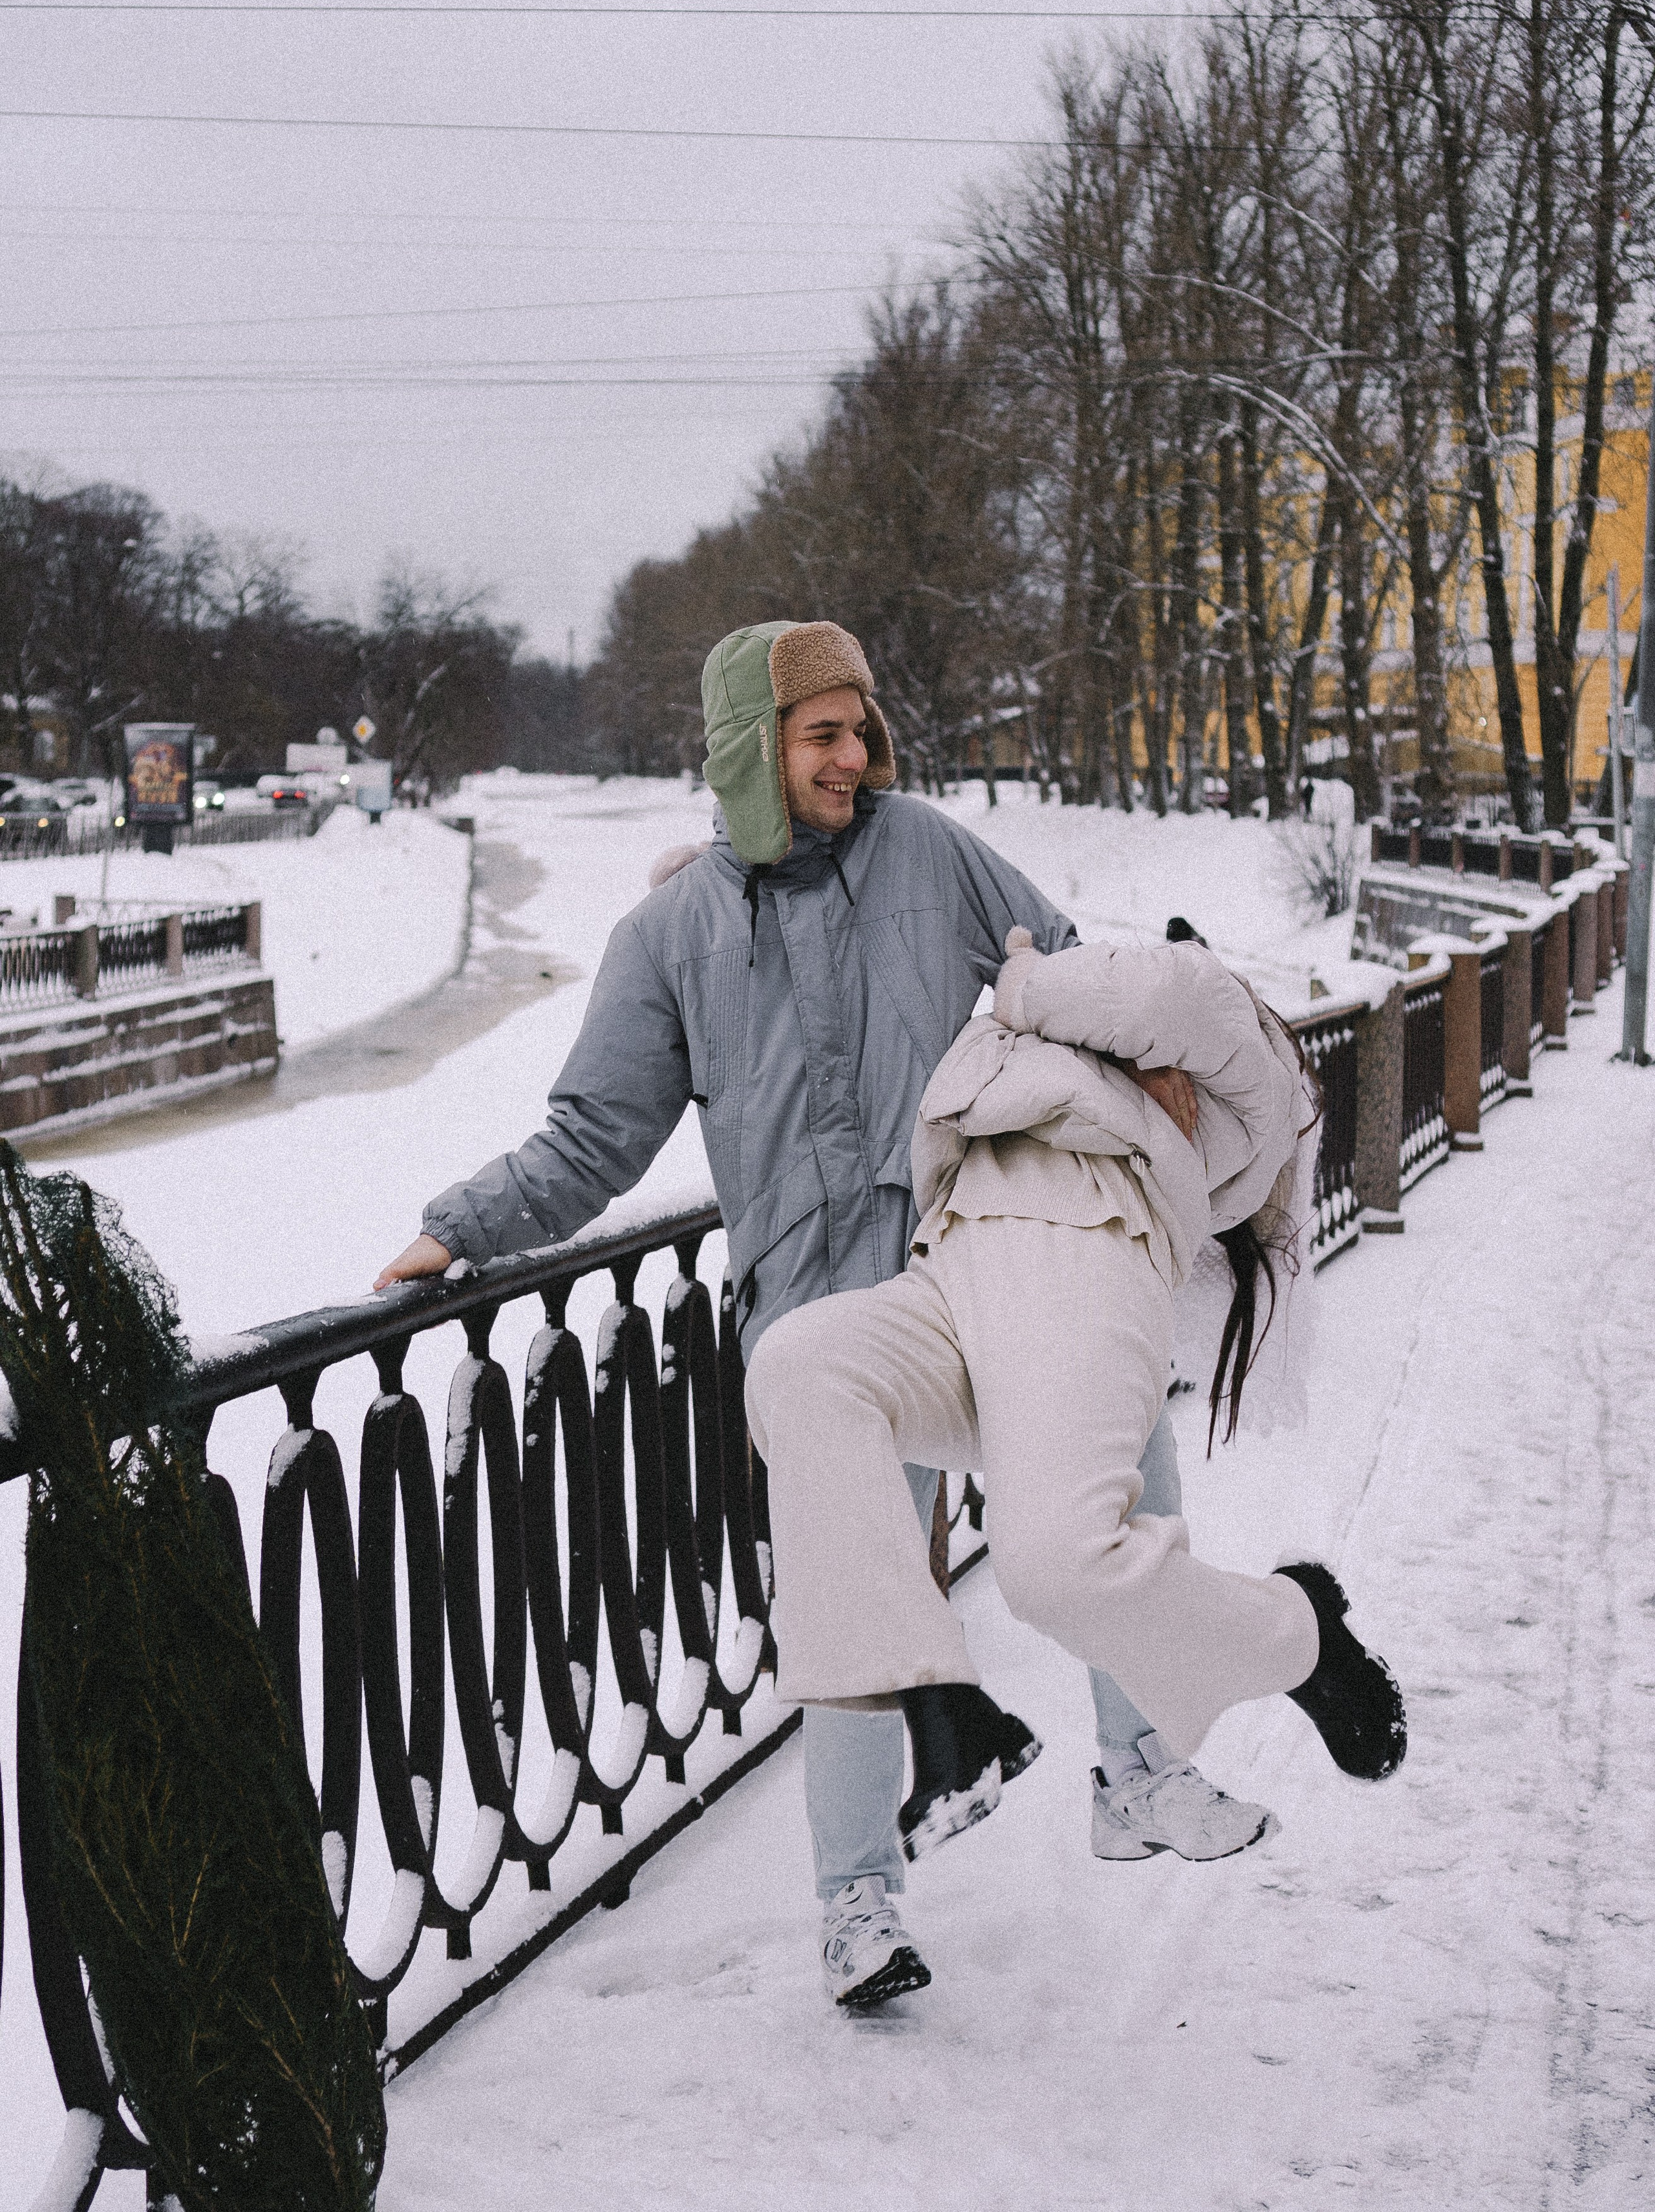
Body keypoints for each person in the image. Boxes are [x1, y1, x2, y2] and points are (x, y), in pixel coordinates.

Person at [374, 619, 1277, 2010]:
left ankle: (1138, 1763)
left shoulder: (932, 854)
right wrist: (459, 1230)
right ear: (753, 746)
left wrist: (1152, 1065)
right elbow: (594, 1133)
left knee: (1120, 1456)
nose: (855, 757)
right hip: (821, 1306)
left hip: (980, 1258)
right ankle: (856, 1902)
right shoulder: (669, 935)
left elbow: (1076, 975)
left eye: (862, 730)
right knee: (855, 1598)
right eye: (823, 734)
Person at [744, 927, 1407, 1862]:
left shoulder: (1220, 1017)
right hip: (952, 1259)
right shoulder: (1101, 1050)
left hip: (1085, 1253)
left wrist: (1018, 980)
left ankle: (1301, 1634)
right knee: (798, 1366)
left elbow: (1138, 993)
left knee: (1054, 1568)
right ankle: (937, 1700)